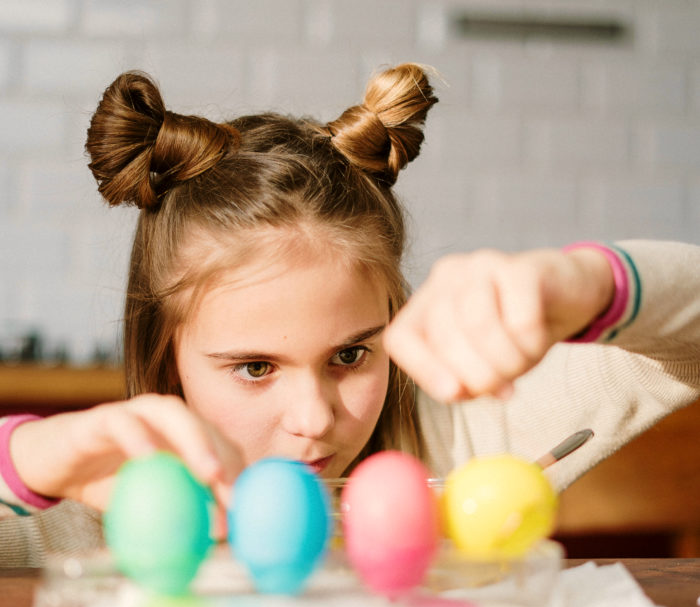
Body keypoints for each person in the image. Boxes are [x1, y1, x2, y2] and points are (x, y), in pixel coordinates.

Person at [2, 64, 699, 566]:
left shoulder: (461, 451)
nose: (314, 418)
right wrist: (30, 461)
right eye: (253, 367)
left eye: (350, 356)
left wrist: (584, 282)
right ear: (167, 356)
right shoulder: (102, 510)